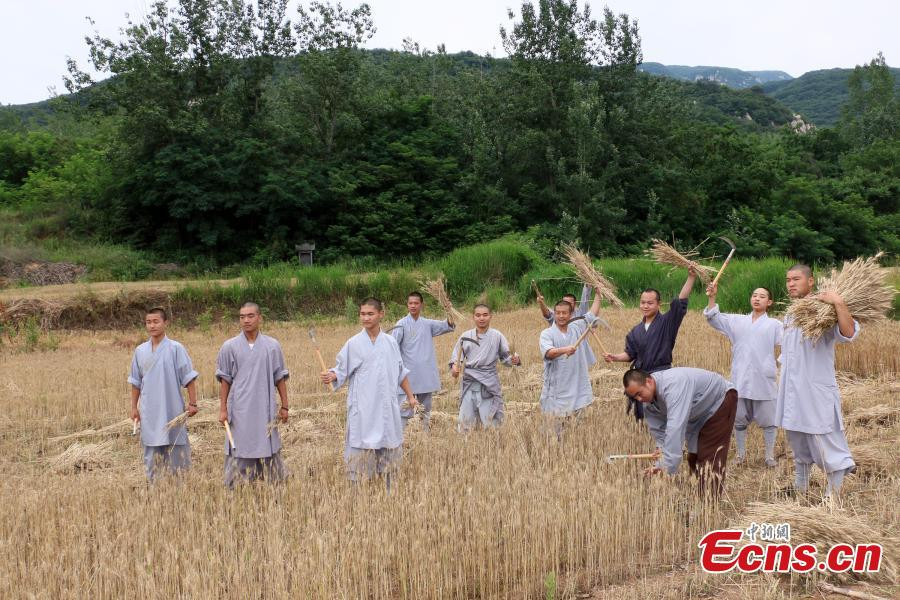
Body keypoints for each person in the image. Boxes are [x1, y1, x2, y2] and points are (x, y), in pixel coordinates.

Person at [776, 265, 858, 502]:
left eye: (796, 279)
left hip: (814, 389)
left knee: (824, 442)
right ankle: (800, 489)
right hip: (791, 389)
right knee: (798, 440)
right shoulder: (791, 313)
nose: (791, 283)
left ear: (810, 281)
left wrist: (839, 302)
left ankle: (832, 497)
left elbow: (850, 333)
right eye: (788, 279)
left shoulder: (825, 309)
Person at [321, 298, 417, 490]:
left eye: (370, 314)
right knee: (359, 451)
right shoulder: (354, 343)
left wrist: (411, 396)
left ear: (381, 314)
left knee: (388, 448)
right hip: (363, 408)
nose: (366, 317)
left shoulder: (390, 343)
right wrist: (332, 375)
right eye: (363, 314)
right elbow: (341, 369)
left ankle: (389, 494)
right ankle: (359, 494)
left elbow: (400, 371)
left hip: (386, 407)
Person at [623, 367, 737, 497]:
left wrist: (666, 467)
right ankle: (699, 493)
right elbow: (659, 432)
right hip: (697, 412)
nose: (638, 399)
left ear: (649, 382)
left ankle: (708, 504)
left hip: (719, 401)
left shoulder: (674, 386)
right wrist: (661, 454)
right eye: (634, 397)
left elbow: (675, 428)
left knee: (709, 456)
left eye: (639, 393)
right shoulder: (648, 402)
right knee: (694, 455)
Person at [704, 283, 783, 467]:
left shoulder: (774, 325)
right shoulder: (737, 321)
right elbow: (713, 318)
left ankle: (769, 456)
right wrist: (712, 297)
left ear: (769, 302)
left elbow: (791, 342)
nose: (757, 298)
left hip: (764, 378)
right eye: (754, 295)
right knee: (738, 419)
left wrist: (781, 363)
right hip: (740, 377)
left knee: (769, 420)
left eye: (762, 296)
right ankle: (740, 455)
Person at [605, 267, 698, 421]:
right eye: (643, 303)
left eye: (650, 303)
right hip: (641, 376)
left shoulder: (668, 322)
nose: (646, 306)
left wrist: (691, 277)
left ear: (658, 304)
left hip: (661, 375)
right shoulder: (636, 330)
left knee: (662, 414)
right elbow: (630, 354)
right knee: (643, 417)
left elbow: (680, 302)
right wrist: (614, 357)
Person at [216, 302, 290, 488]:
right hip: (240, 408)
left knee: (268, 444)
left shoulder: (272, 346)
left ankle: (275, 485)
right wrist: (223, 409)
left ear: (259, 318)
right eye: (242, 317)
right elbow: (225, 380)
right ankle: (237, 488)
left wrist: (285, 406)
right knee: (239, 446)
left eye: (250, 316)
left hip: (265, 406)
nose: (246, 320)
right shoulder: (229, 346)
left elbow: (279, 377)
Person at [128, 307, 199, 482]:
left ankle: (180, 486)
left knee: (177, 448)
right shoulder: (140, 351)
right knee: (152, 449)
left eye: (156, 321)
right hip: (150, 410)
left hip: (172, 408)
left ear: (165, 323)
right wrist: (134, 408)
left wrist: (193, 403)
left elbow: (188, 377)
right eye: (148, 322)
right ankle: (155, 487)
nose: (152, 325)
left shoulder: (176, 348)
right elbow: (136, 382)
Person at [539, 287, 603, 435]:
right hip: (557, 388)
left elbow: (591, 314)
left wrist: (598, 295)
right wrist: (564, 350)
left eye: (564, 313)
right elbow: (549, 353)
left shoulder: (577, 327)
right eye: (558, 313)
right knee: (553, 432)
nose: (561, 316)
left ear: (570, 314)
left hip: (577, 385)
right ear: (554, 314)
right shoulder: (547, 334)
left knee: (576, 432)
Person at [449, 304, 521, 431]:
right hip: (469, 383)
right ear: (473, 317)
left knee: (491, 424)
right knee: (465, 424)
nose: (481, 318)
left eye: (485, 315)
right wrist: (455, 368)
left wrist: (514, 360)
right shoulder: (466, 336)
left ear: (490, 316)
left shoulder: (497, 336)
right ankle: (467, 448)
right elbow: (456, 359)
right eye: (478, 315)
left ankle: (492, 446)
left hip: (489, 384)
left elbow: (506, 357)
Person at [391, 291, 455, 432]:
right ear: (407, 305)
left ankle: (424, 435)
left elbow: (448, 325)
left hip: (425, 374)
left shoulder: (428, 324)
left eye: (416, 303)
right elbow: (392, 348)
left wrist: (448, 310)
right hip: (407, 375)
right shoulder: (400, 325)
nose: (413, 306)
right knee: (404, 409)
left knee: (425, 408)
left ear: (421, 305)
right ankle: (402, 436)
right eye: (410, 303)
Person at [537, 284, 597, 366]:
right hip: (562, 360)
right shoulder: (549, 331)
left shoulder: (580, 317)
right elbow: (547, 314)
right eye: (564, 302)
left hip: (578, 356)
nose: (561, 316)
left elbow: (586, 302)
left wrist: (588, 287)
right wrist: (541, 303)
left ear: (574, 304)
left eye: (568, 303)